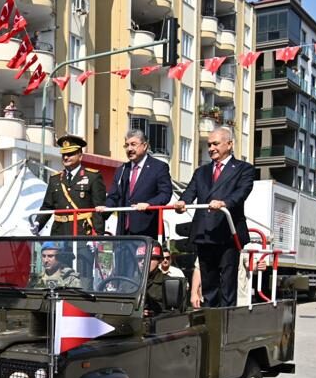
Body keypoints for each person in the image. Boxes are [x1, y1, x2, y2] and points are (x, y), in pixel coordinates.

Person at [173, 127, 255, 307]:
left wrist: (224, 202)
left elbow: (241, 193)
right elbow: (190, 192)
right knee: (208, 282)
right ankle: (210, 321)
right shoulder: (201, 172)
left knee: (227, 284)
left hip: (227, 233)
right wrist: (181, 203)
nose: (211, 148)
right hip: (204, 234)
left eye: (216, 144)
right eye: (209, 144)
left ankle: (226, 323)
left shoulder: (244, 169)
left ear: (230, 144)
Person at [100, 129, 173, 238]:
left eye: (133, 144)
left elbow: (165, 194)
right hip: (123, 232)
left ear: (145, 146)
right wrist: (105, 208)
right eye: (126, 145)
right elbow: (114, 196)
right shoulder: (122, 169)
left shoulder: (158, 167)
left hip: (147, 231)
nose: (129, 149)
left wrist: (149, 204)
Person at [34, 134, 106, 238]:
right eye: (64, 154)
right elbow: (47, 206)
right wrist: (38, 223)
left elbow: (98, 209)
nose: (66, 157)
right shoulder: (55, 179)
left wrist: (97, 236)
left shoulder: (92, 177)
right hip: (59, 232)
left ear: (80, 156)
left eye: (70, 154)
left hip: (83, 232)